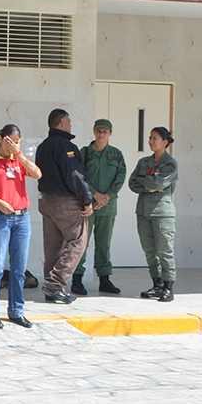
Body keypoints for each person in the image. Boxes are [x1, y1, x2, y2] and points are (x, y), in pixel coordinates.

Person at [0, 124, 42, 329]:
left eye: (17, 141)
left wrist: (19, 155)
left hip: (22, 219)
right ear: (1, 139)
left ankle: (16, 311)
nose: (12, 145)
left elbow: (37, 174)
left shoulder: (18, 160)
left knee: (19, 268)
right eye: (9, 141)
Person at [34, 108, 95, 303]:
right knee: (77, 242)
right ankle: (55, 284)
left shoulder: (43, 146)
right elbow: (74, 175)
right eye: (68, 121)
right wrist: (87, 200)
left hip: (46, 201)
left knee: (53, 247)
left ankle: (50, 288)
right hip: (66, 203)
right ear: (61, 122)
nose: (70, 124)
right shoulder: (66, 146)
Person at [71, 119, 127, 296]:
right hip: (88, 205)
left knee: (104, 244)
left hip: (108, 206)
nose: (101, 134)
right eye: (98, 131)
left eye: (105, 131)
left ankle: (104, 279)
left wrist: (107, 196)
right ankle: (77, 279)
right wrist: (95, 194)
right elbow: (79, 176)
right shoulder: (85, 153)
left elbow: (120, 177)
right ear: (94, 132)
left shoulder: (116, 154)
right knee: (82, 243)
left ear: (110, 133)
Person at [129, 126, 179, 302]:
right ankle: (157, 284)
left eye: (155, 138)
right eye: (150, 138)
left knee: (164, 251)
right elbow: (132, 183)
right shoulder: (144, 162)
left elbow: (162, 181)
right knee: (149, 251)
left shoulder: (170, 164)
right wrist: (150, 185)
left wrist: (144, 182)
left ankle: (168, 287)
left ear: (164, 142)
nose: (151, 141)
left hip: (162, 213)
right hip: (143, 211)